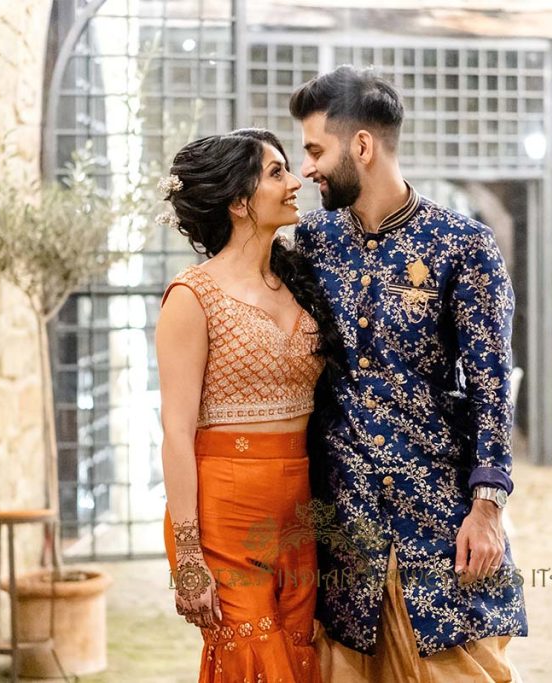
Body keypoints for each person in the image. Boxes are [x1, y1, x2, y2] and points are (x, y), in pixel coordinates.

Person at [289, 66, 528, 682]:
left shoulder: (462, 245)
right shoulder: (312, 244)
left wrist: (487, 509)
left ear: (361, 146)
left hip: (440, 513)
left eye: (315, 150)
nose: (306, 168)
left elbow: (492, 384)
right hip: (345, 519)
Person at [156, 128, 337, 682]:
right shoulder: (193, 297)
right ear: (238, 202)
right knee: (252, 661)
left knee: (300, 657)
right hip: (227, 512)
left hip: (299, 510)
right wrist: (188, 558)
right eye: (277, 172)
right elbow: (176, 431)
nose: (295, 181)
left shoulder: (299, 281)